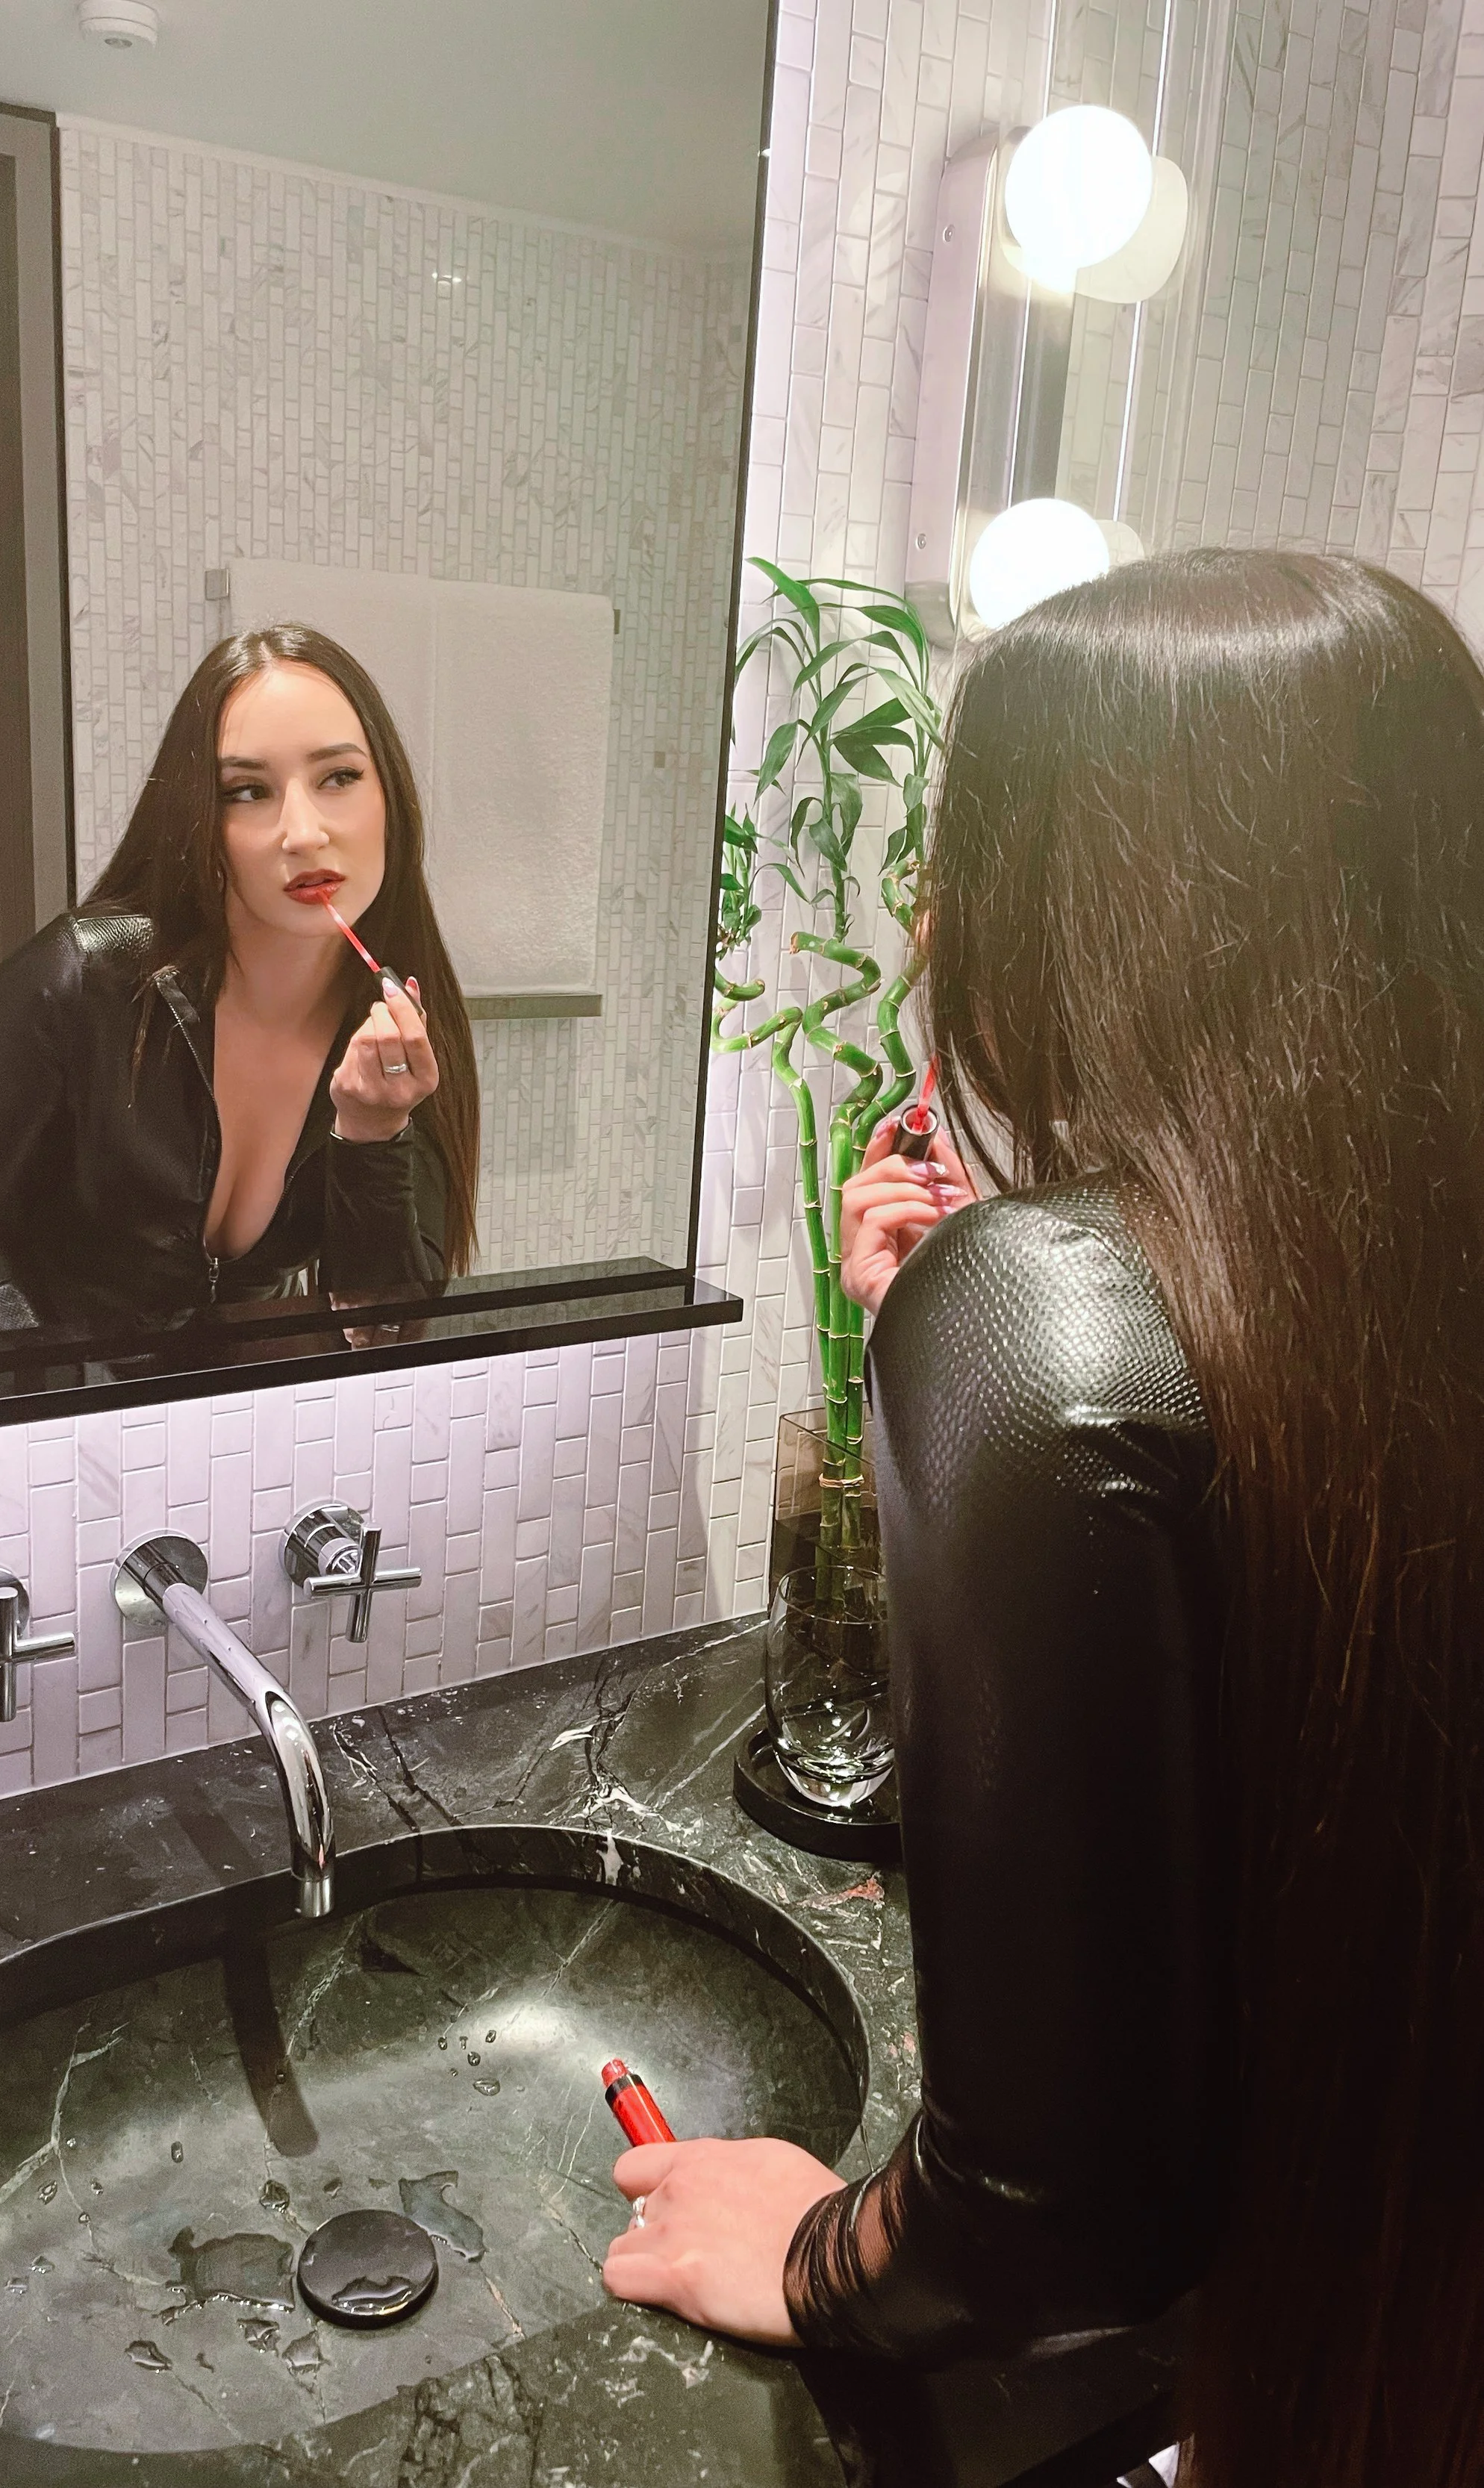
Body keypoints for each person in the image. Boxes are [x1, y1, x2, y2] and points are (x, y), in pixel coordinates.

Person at [602, 550, 1484, 2488]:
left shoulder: (1035, 1312)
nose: (921, 920)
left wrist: (825, 2249)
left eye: (963, 853)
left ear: (1086, 899)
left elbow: (1063, 2209)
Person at [0, 626, 478, 1335]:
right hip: (61, 1417)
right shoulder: (73, 982)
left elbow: (382, 1329)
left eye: (339, 777)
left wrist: (373, 1136)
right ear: (199, 821)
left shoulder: (396, 1030)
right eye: (248, 791)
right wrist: (64, 1415)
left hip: (233, 1426)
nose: (304, 832)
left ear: (390, 799)